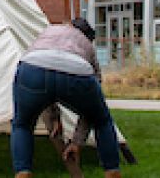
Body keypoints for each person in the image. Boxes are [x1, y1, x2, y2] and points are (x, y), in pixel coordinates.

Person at [11, 17, 121, 178]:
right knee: (102, 121)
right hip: (77, 71)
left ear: (68, 24)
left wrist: (54, 118)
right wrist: (77, 142)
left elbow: (47, 79)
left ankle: (23, 172)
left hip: (32, 67)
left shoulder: (51, 30)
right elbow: (91, 107)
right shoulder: (87, 45)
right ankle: (112, 171)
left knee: (22, 125)